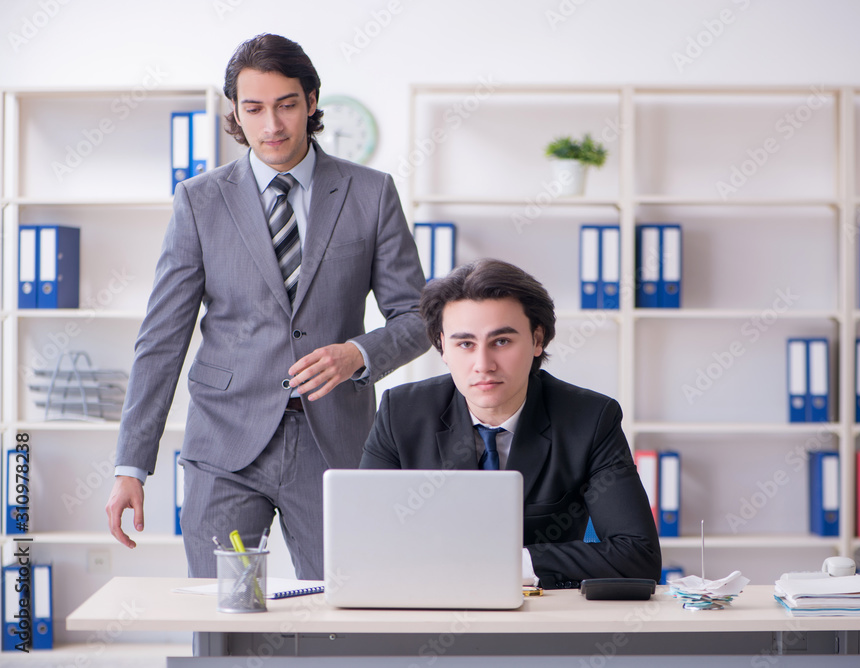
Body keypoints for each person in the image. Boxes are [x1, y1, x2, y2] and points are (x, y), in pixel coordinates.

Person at [105, 33, 429, 579]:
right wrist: (131, 465)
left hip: (334, 444)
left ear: (311, 101)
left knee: (344, 618)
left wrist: (357, 353)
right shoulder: (199, 200)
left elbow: (420, 317)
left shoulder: (370, 193)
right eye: (253, 108)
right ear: (234, 110)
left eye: (286, 105)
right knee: (224, 624)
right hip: (224, 447)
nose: (272, 126)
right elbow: (162, 339)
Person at [360, 259, 661, 588]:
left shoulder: (590, 419)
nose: (483, 365)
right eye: (465, 344)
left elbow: (638, 555)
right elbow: (362, 547)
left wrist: (508, 564)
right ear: (442, 347)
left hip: (541, 621)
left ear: (537, 340)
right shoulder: (399, 413)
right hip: (430, 611)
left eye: (501, 341)